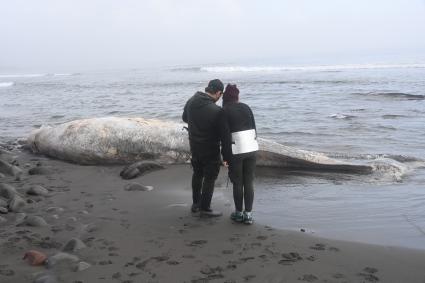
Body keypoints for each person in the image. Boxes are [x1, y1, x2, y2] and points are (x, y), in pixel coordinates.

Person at [182, 79, 227, 217]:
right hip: (210, 148)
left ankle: (196, 204)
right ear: (218, 93)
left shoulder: (191, 101)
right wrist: (226, 155)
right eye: (221, 95)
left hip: (194, 145)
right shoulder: (216, 110)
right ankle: (205, 208)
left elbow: (184, 118)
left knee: (197, 174)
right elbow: (223, 134)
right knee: (210, 178)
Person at [221, 84, 258, 225]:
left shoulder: (224, 111)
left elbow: (224, 137)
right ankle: (248, 215)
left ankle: (238, 213)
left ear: (225, 97)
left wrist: (224, 157)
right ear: (237, 96)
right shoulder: (246, 107)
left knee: (238, 182)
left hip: (236, 149)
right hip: (252, 147)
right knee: (249, 182)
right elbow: (255, 128)